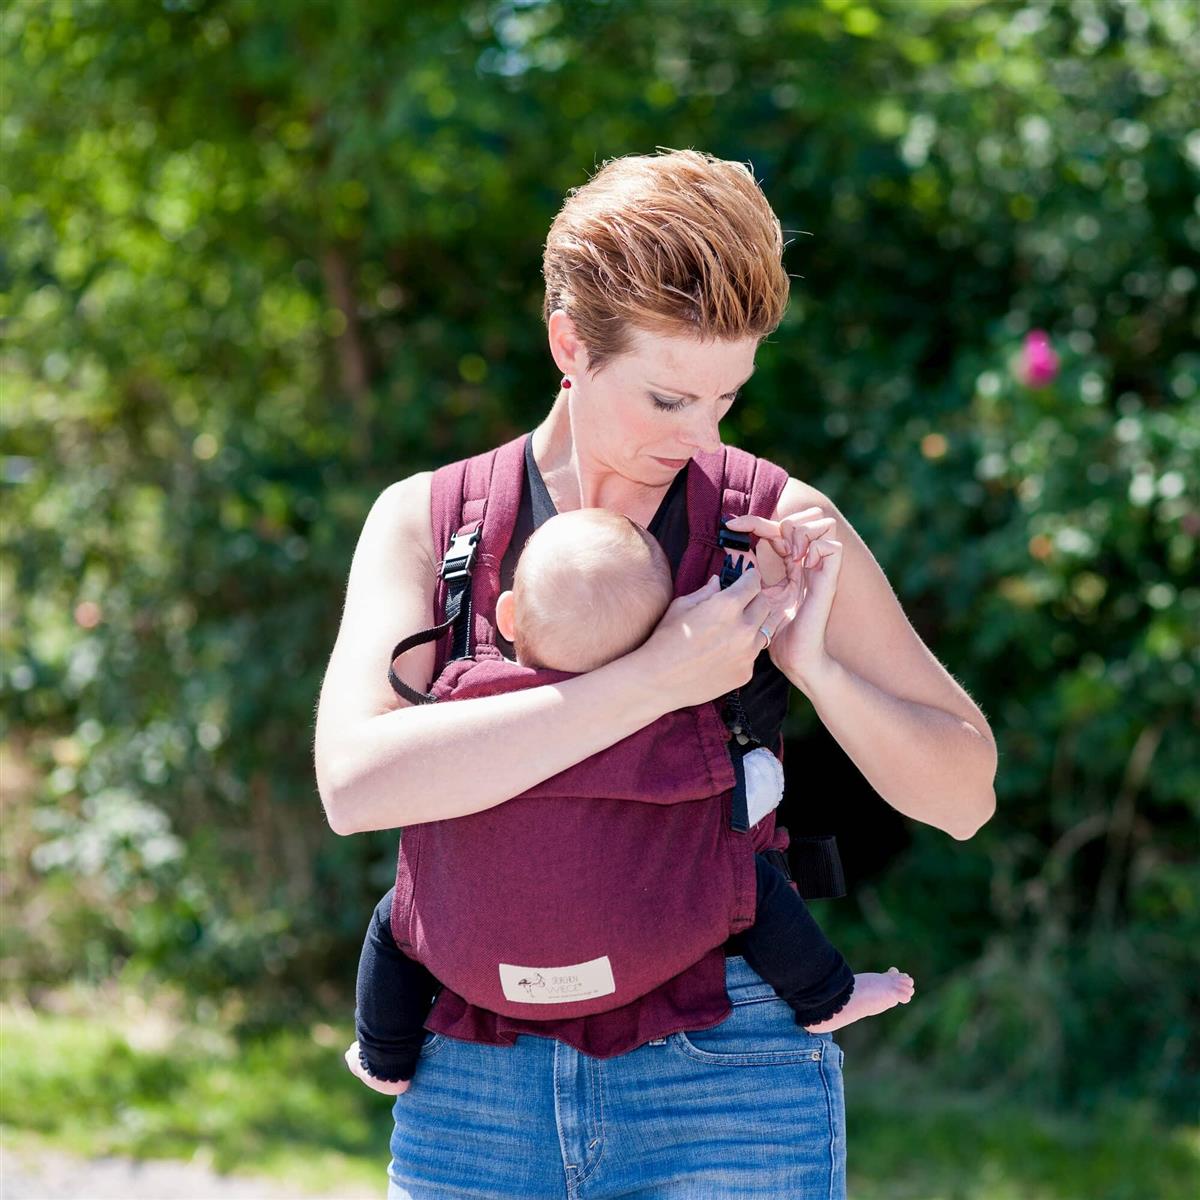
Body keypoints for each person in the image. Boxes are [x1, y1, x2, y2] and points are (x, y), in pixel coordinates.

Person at [314, 148, 997, 1199]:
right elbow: (355, 784)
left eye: (729, 396)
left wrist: (812, 664)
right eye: (670, 398)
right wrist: (659, 679)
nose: (703, 438)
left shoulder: (776, 517)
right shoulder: (430, 520)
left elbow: (963, 796)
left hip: (731, 1076)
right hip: (468, 1096)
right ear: (569, 345)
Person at [345, 505, 915, 1094]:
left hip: (477, 963)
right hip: (648, 952)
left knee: (397, 917)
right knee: (749, 887)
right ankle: (827, 997)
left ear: (508, 616)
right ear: (658, 638)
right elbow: (736, 793)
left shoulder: (468, 700)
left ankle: (385, 1059)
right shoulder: (665, 717)